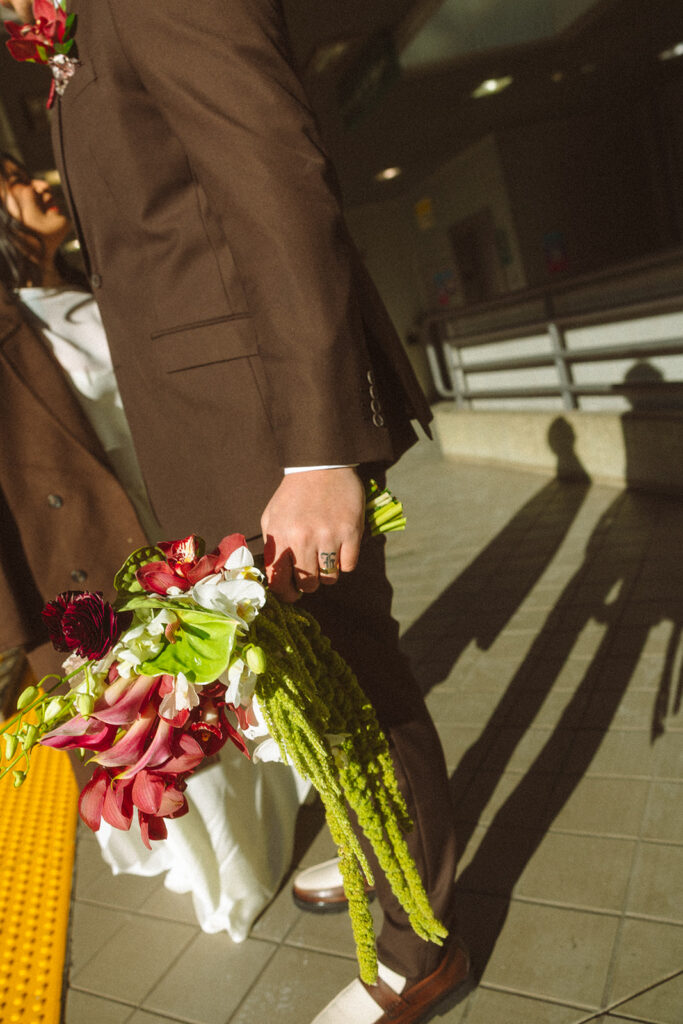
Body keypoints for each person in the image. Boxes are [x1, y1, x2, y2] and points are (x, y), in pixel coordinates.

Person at [2, 3, 470, 1021]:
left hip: (265, 425)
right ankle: (375, 856)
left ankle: (416, 943)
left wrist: (317, 449)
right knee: (302, 677)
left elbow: (275, 180)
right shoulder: (86, 30)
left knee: (353, 672)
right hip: (213, 425)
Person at [0, 150, 310, 943]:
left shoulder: (88, 284)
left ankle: (273, 839)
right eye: (8, 178)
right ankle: (229, 885)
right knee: (169, 740)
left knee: (232, 702)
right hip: (84, 563)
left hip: (177, 531)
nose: (37, 182)